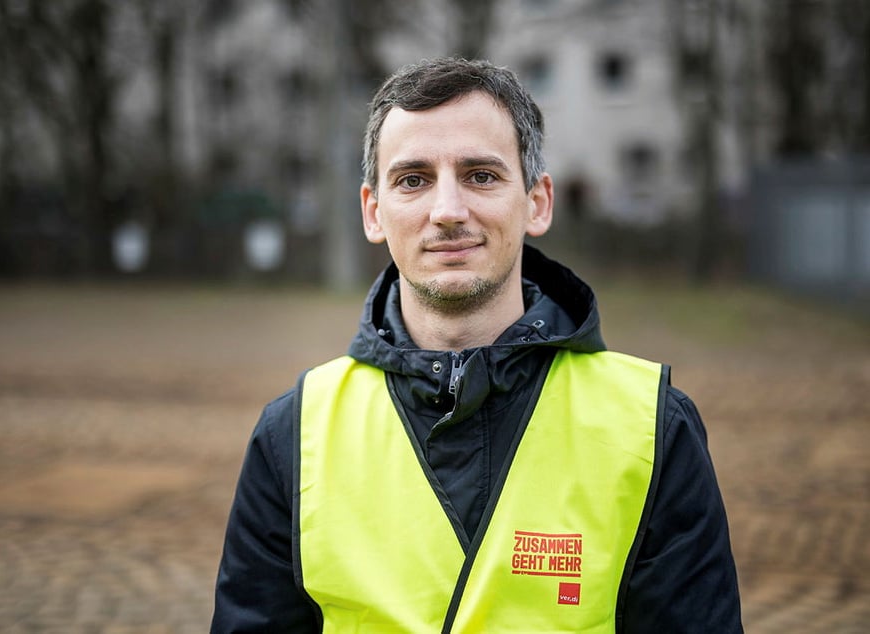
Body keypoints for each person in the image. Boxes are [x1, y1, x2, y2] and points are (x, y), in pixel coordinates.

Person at [211, 57, 742, 633]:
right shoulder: (293, 435)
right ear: (373, 212)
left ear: (537, 201)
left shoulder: (653, 427)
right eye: (413, 179)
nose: (447, 212)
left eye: (480, 175)